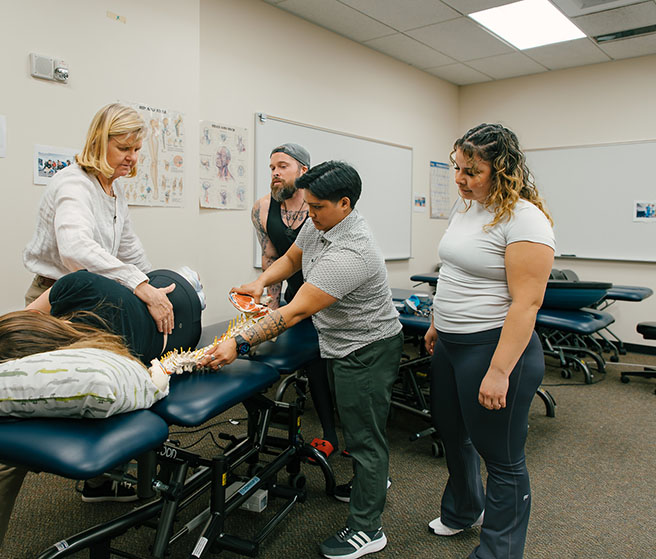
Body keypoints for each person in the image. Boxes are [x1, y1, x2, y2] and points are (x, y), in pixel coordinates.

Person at [203, 161, 403, 559]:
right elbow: (293, 258)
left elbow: (293, 313)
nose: (309, 214)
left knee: (364, 438)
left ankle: (368, 528)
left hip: (366, 348)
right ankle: (371, 483)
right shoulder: (322, 221)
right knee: (361, 429)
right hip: (340, 341)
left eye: (317, 207)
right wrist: (260, 281)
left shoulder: (353, 252)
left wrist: (238, 343)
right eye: (308, 205)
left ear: (344, 204)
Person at [0, 268, 204, 559]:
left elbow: (145, 388)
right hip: (156, 285)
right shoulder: (74, 285)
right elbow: (30, 314)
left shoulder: (103, 363)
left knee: (10, 453)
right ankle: (99, 485)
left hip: (183, 321)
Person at [423, 123, 555, 559]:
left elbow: (526, 303)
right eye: (456, 168)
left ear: (502, 169)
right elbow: (454, 272)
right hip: (451, 344)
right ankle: (463, 509)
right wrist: (438, 322)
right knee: (453, 432)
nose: (459, 179)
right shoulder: (468, 209)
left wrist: (500, 371)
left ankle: (500, 551)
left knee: (501, 456)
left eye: (471, 171)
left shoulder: (525, 218)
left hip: (494, 348)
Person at [22, 102, 175, 336]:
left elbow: (129, 250)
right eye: (124, 148)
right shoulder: (74, 184)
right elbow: (75, 248)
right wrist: (137, 284)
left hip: (90, 298)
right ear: (100, 142)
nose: (132, 158)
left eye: (136, 149)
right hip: (55, 300)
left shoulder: (114, 190)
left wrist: (152, 286)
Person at [251, 143, 339, 458]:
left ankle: (333, 433)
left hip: (328, 297)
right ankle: (275, 429)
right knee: (305, 361)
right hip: (293, 298)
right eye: (272, 167)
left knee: (324, 365)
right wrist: (268, 310)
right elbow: (271, 257)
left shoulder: (322, 209)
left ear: (303, 170)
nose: (275, 173)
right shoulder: (262, 209)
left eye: (283, 166)